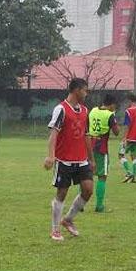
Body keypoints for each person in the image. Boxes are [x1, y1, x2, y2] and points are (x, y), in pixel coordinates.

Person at [44, 78, 94, 242]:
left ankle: (68, 219)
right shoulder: (61, 109)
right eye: (85, 90)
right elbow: (54, 134)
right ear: (77, 90)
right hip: (64, 159)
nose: (86, 93)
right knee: (62, 193)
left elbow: (87, 135)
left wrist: (91, 158)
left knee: (88, 189)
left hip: (81, 159)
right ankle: (55, 229)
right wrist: (51, 156)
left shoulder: (85, 111)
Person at [88, 94, 121, 212]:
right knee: (102, 176)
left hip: (89, 145)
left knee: (87, 175)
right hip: (101, 147)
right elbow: (117, 132)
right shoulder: (110, 115)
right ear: (111, 104)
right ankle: (99, 205)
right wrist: (114, 118)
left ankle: (80, 204)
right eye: (114, 106)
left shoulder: (93, 110)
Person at [120, 94, 136, 183]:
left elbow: (127, 125)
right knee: (134, 157)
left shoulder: (128, 111)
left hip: (130, 137)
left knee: (121, 154)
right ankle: (134, 177)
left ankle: (129, 172)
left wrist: (124, 137)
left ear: (130, 101)